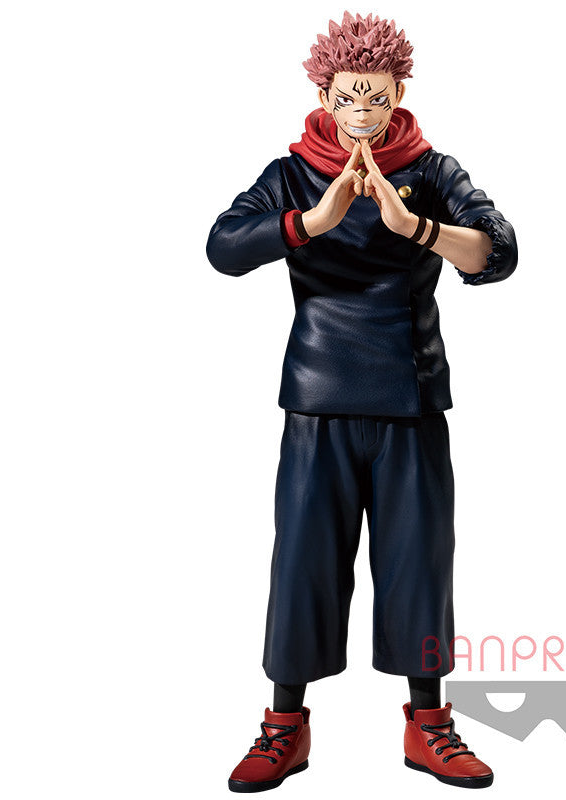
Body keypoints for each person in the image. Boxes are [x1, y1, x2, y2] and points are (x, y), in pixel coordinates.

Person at [206, 12, 517, 792]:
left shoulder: (432, 169)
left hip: (411, 399)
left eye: (376, 97)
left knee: (420, 565)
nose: (362, 113)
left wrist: (416, 227)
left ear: (398, 93)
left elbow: (499, 250)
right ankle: (284, 725)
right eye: (349, 97)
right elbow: (223, 247)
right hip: (319, 398)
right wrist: (312, 221)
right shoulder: (291, 174)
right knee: (303, 565)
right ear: (324, 95)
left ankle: (428, 724)